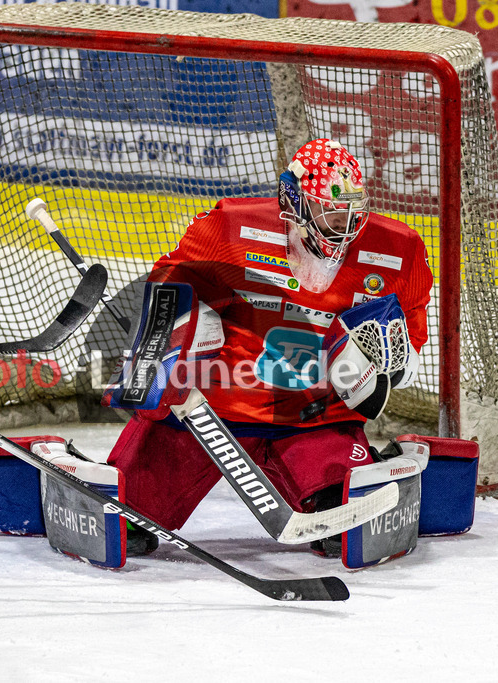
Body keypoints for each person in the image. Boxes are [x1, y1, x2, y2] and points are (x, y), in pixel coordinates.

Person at [105, 138, 434, 557]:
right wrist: (164, 346)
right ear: (293, 201)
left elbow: (412, 335)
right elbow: (170, 282)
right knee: (121, 526)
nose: (344, 224)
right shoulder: (230, 226)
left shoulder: (398, 249)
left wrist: (387, 361)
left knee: (349, 535)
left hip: (318, 418)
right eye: (328, 210)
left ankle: (350, 469)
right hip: (211, 411)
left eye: (352, 211)